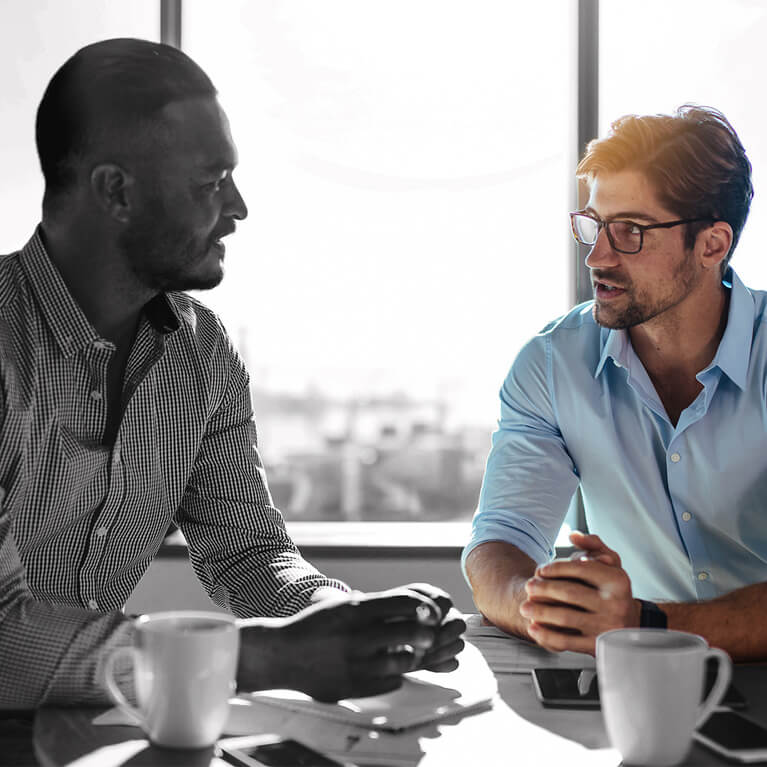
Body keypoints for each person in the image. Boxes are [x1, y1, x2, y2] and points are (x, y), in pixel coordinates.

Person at [0, 37, 465, 709]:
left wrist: (355, 621)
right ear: (116, 191)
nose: (239, 207)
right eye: (211, 182)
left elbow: (248, 554)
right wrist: (262, 656)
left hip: (89, 727)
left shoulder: (203, 352)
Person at [462, 104, 767, 661]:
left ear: (712, 246)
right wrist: (548, 610)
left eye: (630, 230)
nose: (597, 255)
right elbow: (501, 539)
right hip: (636, 686)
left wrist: (641, 623)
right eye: (594, 225)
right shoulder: (552, 363)